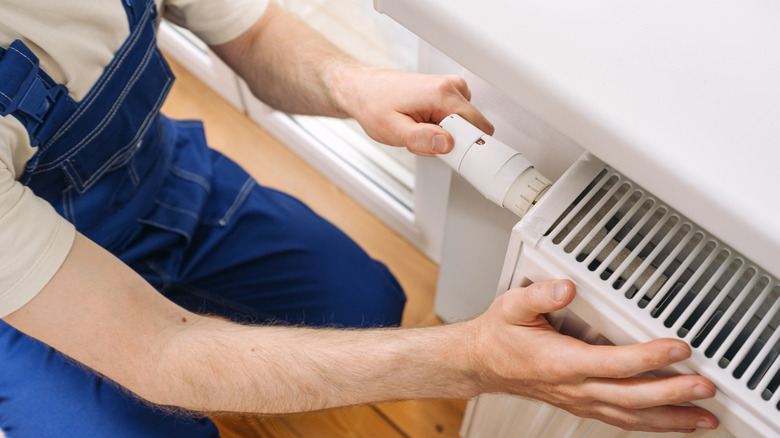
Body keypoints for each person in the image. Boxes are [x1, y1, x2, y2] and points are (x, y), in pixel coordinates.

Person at [0, 0, 719, 436]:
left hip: (160, 188)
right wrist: (470, 364)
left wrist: (352, 84)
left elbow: (249, 33)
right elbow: (153, 349)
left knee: (365, 302)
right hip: (29, 300)